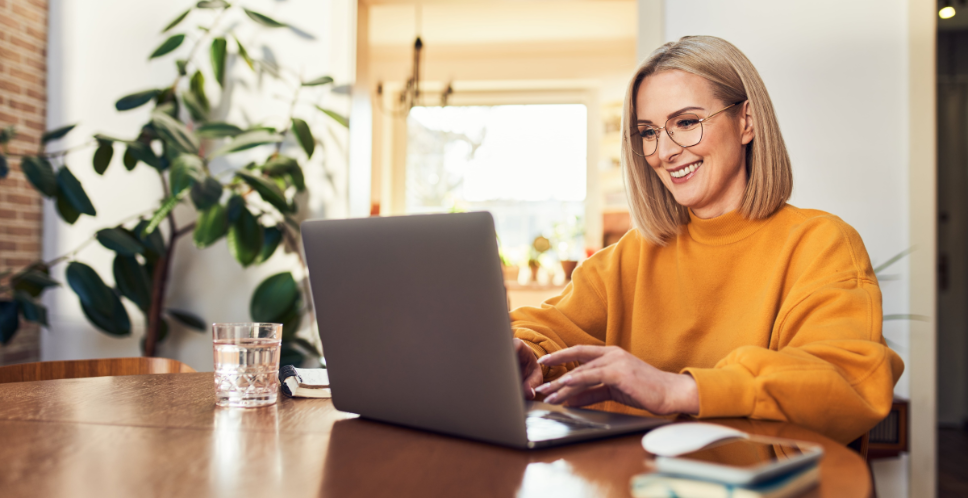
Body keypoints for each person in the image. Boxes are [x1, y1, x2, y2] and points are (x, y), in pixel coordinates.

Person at [511, 36, 903, 444]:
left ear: (746, 122)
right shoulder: (631, 256)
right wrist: (525, 352)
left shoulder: (820, 244)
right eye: (648, 132)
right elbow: (544, 326)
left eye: (685, 123)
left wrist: (679, 390)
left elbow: (848, 381)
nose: (664, 151)